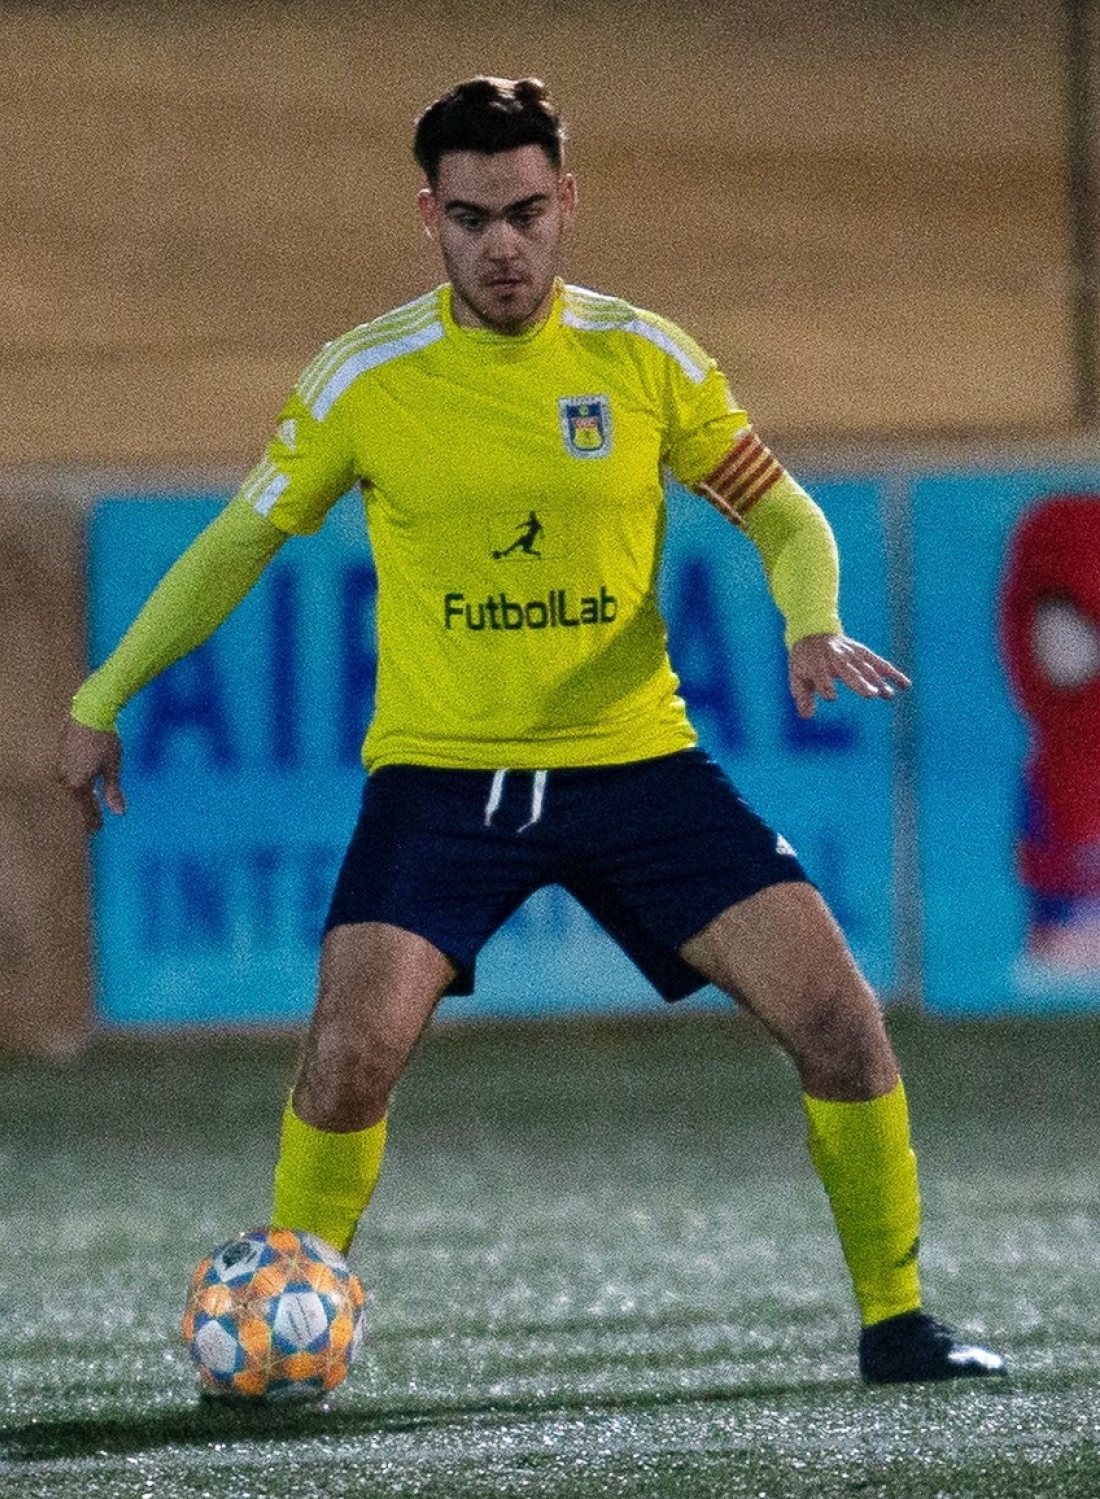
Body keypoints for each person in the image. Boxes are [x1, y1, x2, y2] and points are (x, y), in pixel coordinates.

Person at [57, 75, 1006, 1385]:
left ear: (568, 202)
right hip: (444, 783)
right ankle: (292, 1336)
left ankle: (900, 1323)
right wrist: (102, 700)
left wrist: (810, 617)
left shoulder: (646, 359)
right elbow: (237, 544)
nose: (500, 245)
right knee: (350, 1054)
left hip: (638, 770)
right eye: (467, 219)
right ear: (429, 219)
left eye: (522, 212)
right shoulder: (366, 379)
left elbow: (784, 513)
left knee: (841, 1018)